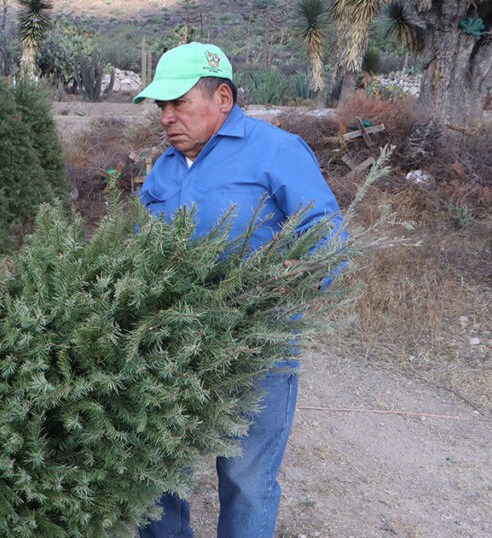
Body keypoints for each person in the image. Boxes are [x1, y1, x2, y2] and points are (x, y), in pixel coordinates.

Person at [132, 42, 344, 538]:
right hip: (172, 346)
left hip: (256, 347)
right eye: (161, 107)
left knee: (246, 478)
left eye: (178, 103)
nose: (165, 117)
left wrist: (294, 272)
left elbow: (326, 232)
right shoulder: (163, 168)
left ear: (221, 98)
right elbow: (142, 247)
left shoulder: (276, 150)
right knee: (157, 471)